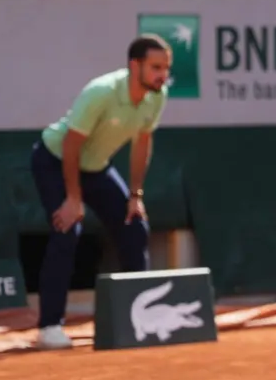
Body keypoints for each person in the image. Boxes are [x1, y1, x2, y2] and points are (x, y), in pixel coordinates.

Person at [30, 35, 172, 350]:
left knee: (134, 227)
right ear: (135, 66)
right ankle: (49, 326)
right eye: (156, 67)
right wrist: (72, 198)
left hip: (96, 167)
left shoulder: (157, 96)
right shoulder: (101, 92)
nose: (163, 75)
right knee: (67, 230)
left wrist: (135, 194)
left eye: (166, 68)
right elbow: (71, 145)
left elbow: (142, 144)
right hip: (56, 161)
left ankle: (138, 320)